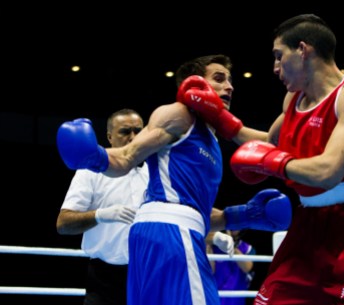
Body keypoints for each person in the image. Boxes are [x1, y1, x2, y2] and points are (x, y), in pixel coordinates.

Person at [177, 14, 344, 305]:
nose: (275, 67)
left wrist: (274, 162)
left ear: (303, 50)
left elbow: (329, 170)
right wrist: (219, 117)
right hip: (308, 222)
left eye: (279, 56)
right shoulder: (293, 99)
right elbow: (268, 142)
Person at [56, 54, 292, 305]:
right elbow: (127, 156)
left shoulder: (212, 139)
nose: (229, 86)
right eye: (219, 79)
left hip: (165, 232)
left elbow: (190, 208)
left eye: (231, 80)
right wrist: (95, 157)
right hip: (171, 233)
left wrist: (243, 215)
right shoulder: (180, 115)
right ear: (197, 83)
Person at [56, 108, 148, 305]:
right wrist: (101, 215)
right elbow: (63, 224)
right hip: (105, 278)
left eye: (138, 131)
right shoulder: (90, 171)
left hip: (148, 273)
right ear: (109, 137)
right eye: (125, 131)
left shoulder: (156, 172)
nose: (133, 137)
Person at [207, 230, 255, 305]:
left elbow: (248, 268)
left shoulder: (246, 248)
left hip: (236, 299)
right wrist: (209, 242)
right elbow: (209, 270)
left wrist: (231, 245)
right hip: (214, 298)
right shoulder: (210, 248)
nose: (230, 228)